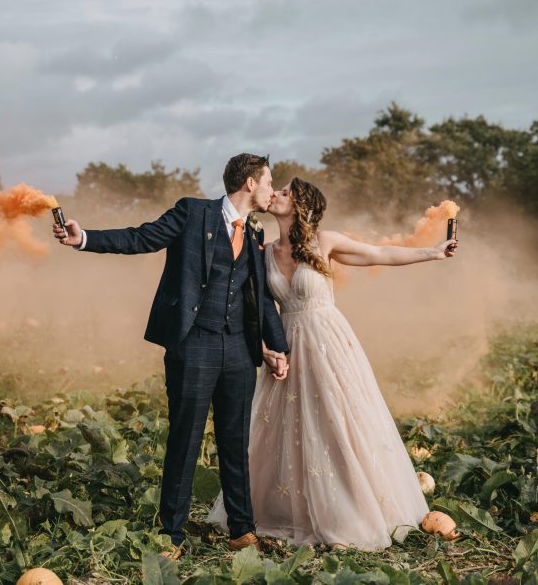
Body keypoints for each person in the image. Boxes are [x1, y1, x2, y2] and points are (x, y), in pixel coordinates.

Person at [53, 153, 289, 559]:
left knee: (236, 442)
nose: (272, 189)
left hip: (238, 350)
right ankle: (172, 535)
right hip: (192, 344)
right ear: (250, 183)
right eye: (269, 181)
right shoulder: (193, 213)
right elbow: (141, 237)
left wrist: (277, 345)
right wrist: (85, 238)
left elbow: (260, 297)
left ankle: (242, 529)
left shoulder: (254, 232)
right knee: (185, 439)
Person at [208, 177, 458, 550]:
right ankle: (286, 510)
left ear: (301, 205)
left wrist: (433, 252)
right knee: (285, 426)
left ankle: (349, 512)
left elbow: (379, 254)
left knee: (338, 421)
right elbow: (255, 308)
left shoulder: (324, 242)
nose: (275, 193)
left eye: (285, 192)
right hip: (287, 346)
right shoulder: (263, 251)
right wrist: (264, 347)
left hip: (328, 341)